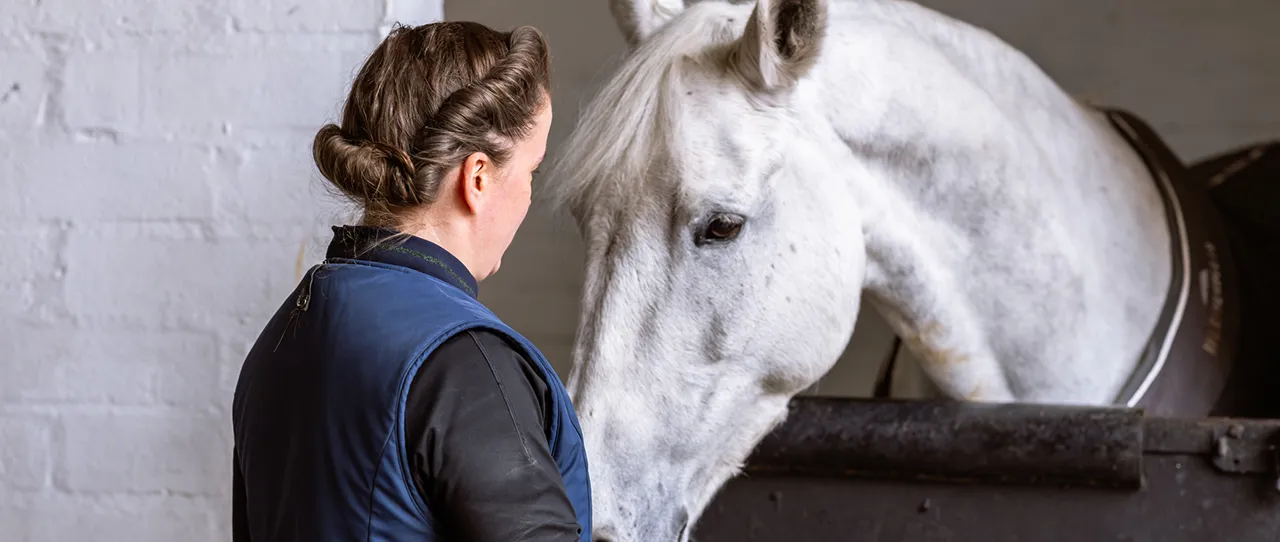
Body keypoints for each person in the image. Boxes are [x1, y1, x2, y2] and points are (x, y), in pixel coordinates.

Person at [230, 21, 591, 542]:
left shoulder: (281, 337)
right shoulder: (462, 365)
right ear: (479, 177)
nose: (531, 196)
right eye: (531, 170)